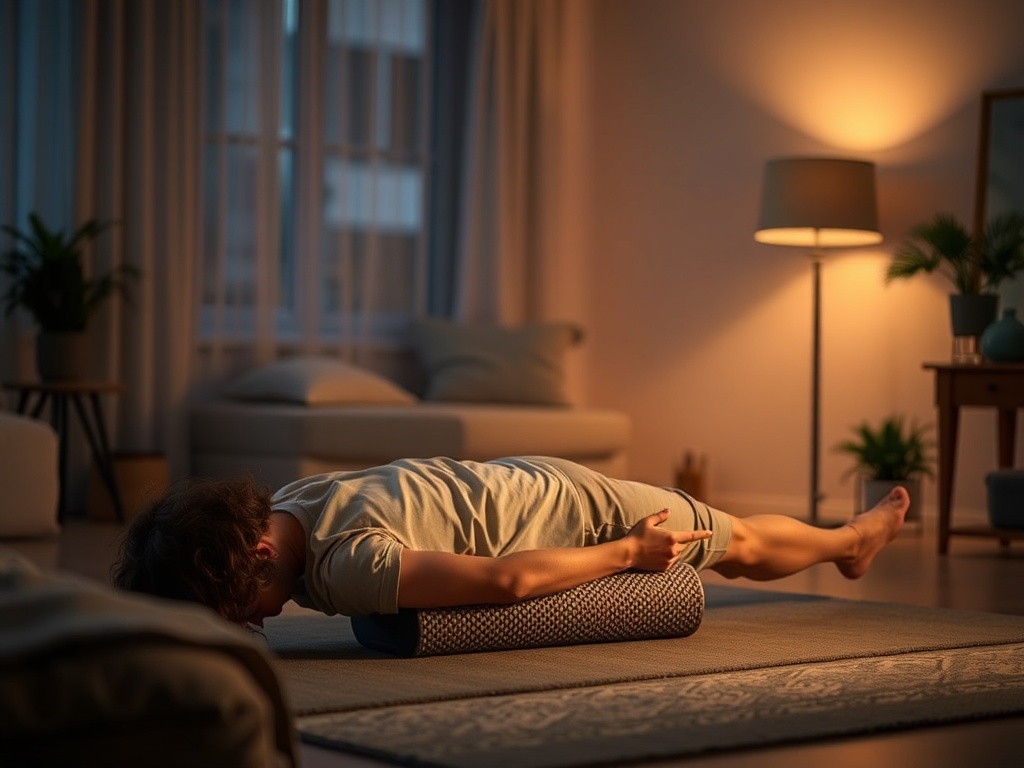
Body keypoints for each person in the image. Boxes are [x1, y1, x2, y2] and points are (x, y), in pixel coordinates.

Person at [112, 455, 909, 631]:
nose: (251, 623)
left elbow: (505, 584)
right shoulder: (286, 502)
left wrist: (626, 554)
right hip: (522, 479)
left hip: (578, 511)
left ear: (256, 556)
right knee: (727, 534)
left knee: (728, 542)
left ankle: (848, 543)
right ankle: (845, 540)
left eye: (240, 608)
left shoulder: (345, 564)